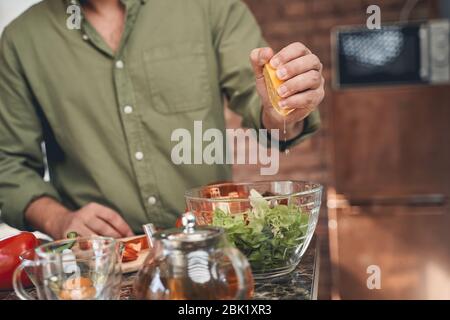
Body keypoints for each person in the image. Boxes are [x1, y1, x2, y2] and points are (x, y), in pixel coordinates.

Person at [0, 0, 324, 239]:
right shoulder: (20, 40)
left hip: (209, 252)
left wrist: (283, 109)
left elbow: (268, 111)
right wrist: (58, 220)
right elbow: (7, 164)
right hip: (100, 267)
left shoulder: (209, 7)